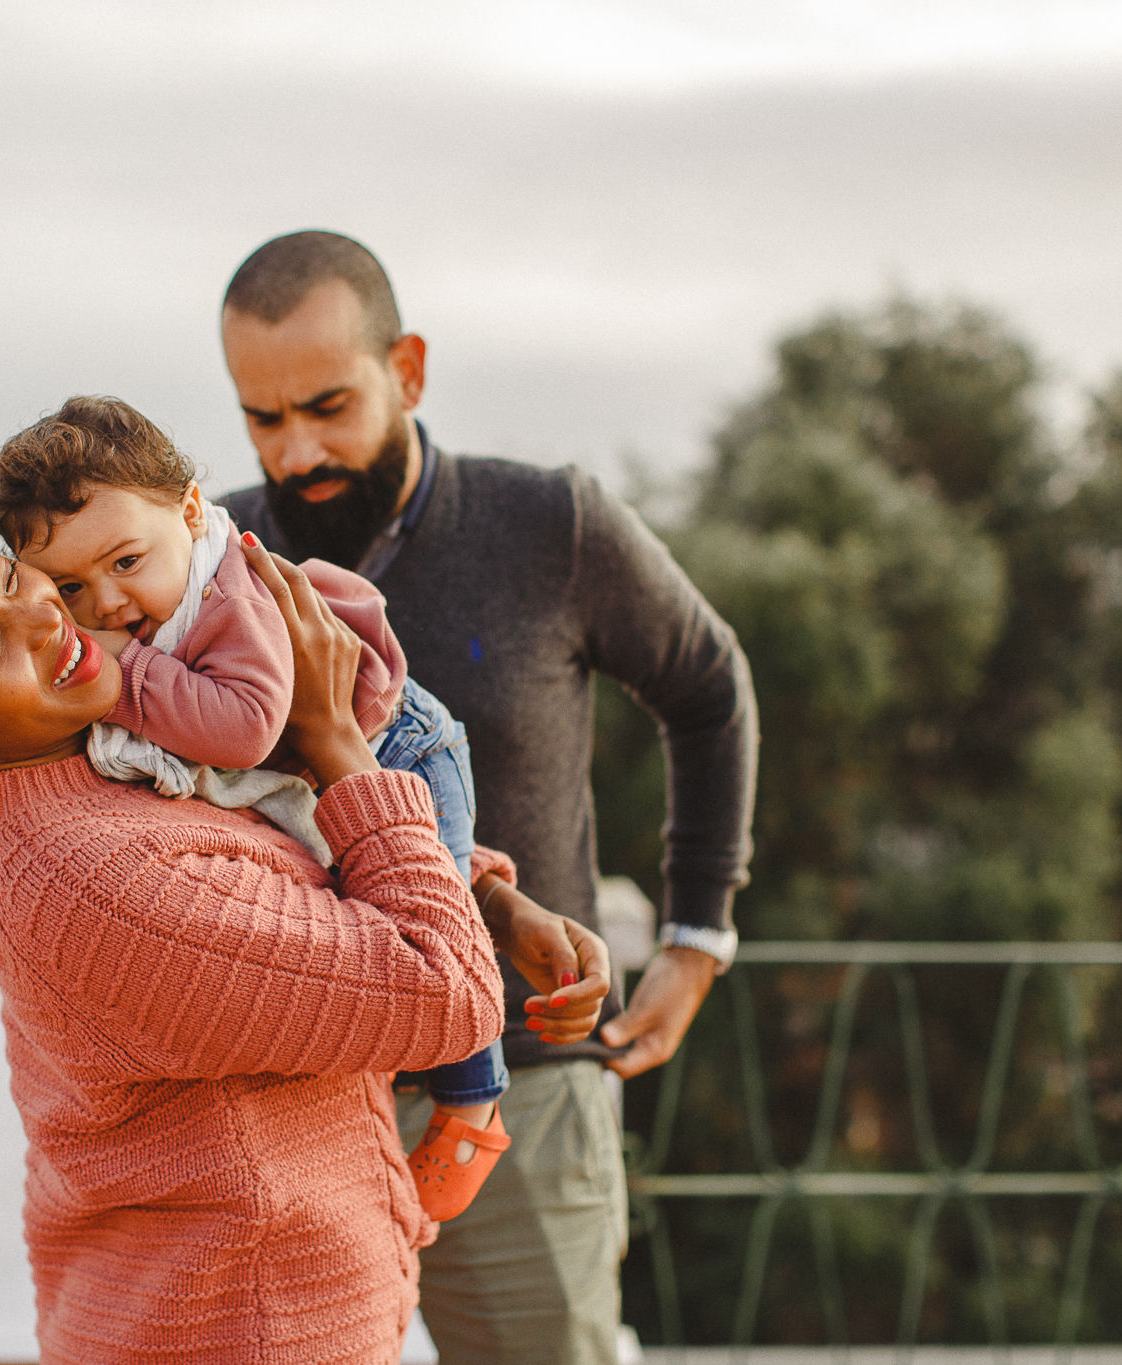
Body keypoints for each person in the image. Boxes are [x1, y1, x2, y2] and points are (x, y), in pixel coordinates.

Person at [0, 516, 613, 1364]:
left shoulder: (91, 739)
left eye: (5, 574)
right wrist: (336, 738)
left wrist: (492, 897)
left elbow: (283, 851)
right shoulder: (96, 882)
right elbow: (447, 996)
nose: (43, 614)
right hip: (244, 1324)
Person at [215, 231, 760, 1364]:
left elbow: (709, 691)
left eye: (326, 404)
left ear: (406, 370)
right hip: (287, 1100)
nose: (296, 450)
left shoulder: (549, 525)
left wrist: (696, 937)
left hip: (522, 1088)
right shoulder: (213, 557)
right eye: (262, 419)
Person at [0, 393, 553, 1218]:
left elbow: (246, 730)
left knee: (444, 938)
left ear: (187, 510)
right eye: (70, 585)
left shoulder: (229, 596)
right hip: (345, 772)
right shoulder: (155, 606)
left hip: (407, 751)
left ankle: (474, 1104)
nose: (105, 604)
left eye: (126, 562)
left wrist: (125, 677)